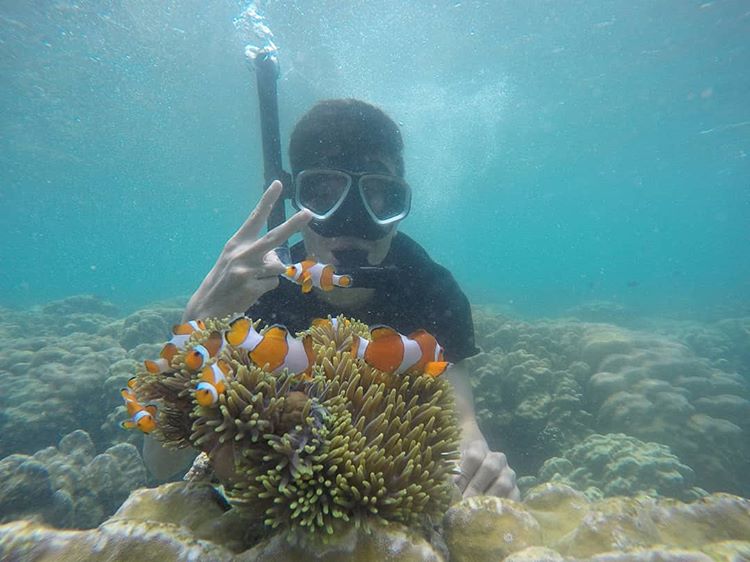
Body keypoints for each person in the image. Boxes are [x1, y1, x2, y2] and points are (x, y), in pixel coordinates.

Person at [148, 99, 519, 500]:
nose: (352, 221)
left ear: (401, 203)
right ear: (294, 198)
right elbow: (160, 463)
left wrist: (477, 468)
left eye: (378, 196)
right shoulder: (254, 291)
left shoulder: (430, 289)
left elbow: (463, 430)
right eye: (324, 193)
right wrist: (194, 328)